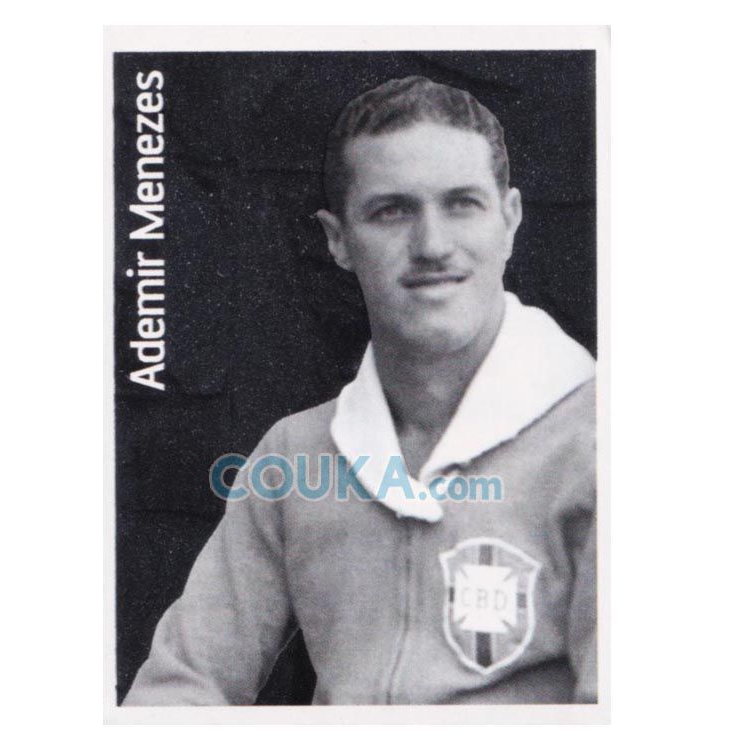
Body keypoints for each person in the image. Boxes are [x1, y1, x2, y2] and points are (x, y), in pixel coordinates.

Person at [124, 76, 597, 706]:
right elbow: (181, 687)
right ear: (338, 239)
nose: (432, 246)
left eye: (462, 204)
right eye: (392, 211)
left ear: (509, 220)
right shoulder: (294, 454)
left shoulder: (600, 439)